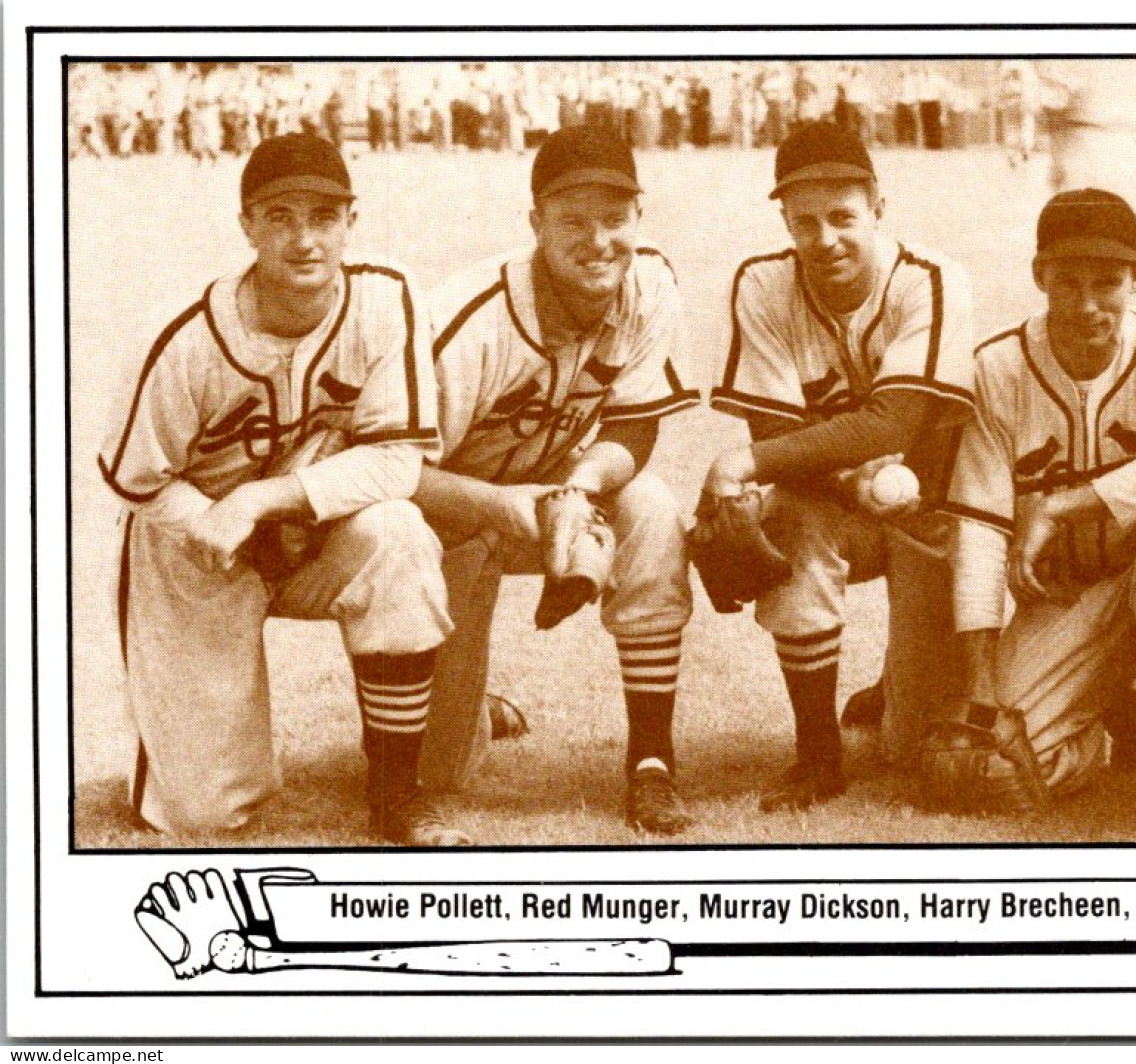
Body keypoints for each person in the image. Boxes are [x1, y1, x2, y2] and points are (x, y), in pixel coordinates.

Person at [97, 133, 465, 845]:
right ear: (247, 225)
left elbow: (400, 457)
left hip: (314, 524)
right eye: (280, 216)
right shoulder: (184, 339)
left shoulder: (384, 297)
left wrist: (265, 499)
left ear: (350, 222)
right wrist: (219, 518)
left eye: (324, 217)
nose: (304, 239)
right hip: (199, 542)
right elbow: (137, 481)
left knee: (399, 533)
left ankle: (396, 796)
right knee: (202, 814)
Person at [413, 126, 701, 835]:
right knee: (441, 770)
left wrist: (577, 489)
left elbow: (635, 428)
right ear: (535, 224)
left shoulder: (650, 282)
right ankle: (464, 702)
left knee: (653, 507)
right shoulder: (470, 320)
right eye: (573, 220)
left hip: (556, 490)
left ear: (639, 217)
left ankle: (652, 761)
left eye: (615, 218)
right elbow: (393, 472)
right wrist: (503, 506)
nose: (598, 239)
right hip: (449, 508)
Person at [706, 122, 976, 810]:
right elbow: (774, 423)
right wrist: (844, 477)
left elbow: (895, 422)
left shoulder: (931, 280)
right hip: (831, 503)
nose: (824, 239)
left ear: (877, 206)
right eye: (805, 222)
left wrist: (745, 460)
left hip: (931, 515)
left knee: (911, 747)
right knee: (796, 520)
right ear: (785, 221)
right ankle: (817, 754)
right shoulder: (763, 282)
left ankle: (899, 685)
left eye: (842, 217)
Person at [946, 189, 1136, 810]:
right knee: (990, 773)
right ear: (1038, 277)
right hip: (1067, 599)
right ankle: (1108, 718)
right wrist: (980, 686)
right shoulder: (998, 368)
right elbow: (977, 527)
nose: (1087, 305)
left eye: (1107, 282)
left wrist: (1065, 503)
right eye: (1066, 282)